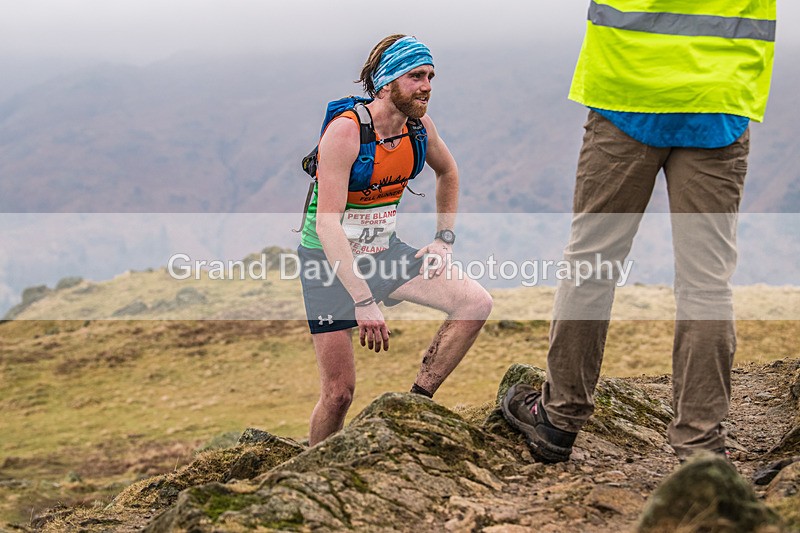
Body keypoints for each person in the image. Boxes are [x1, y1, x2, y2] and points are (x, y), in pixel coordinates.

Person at [502, 1, 776, 462]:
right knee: (706, 283)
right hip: (719, 99)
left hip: (626, 91)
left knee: (593, 262)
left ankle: (559, 419)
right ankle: (701, 446)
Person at [298, 35, 493, 446]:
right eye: (415, 76)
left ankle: (415, 404)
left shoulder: (419, 129)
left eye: (430, 76)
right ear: (387, 82)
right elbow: (327, 225)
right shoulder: (345, 134)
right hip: (328, 261)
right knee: (338, 395)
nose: (426, 86)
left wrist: (443, 240)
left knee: (475, 302)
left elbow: (449, 173)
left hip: (382, 251)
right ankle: (311, 469)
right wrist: (363, 300)